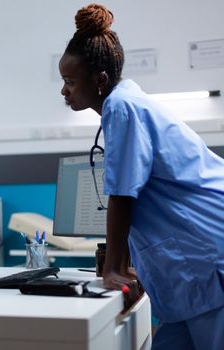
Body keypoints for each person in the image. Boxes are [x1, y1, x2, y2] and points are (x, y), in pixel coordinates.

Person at [58, 4, 224, 349]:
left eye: (70, 82)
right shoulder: (127, 104)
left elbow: (122, 193)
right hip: (187, 270)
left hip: (206, 256)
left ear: (99, 80)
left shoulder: (123, 106)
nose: (64, 91)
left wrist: (112, 270)